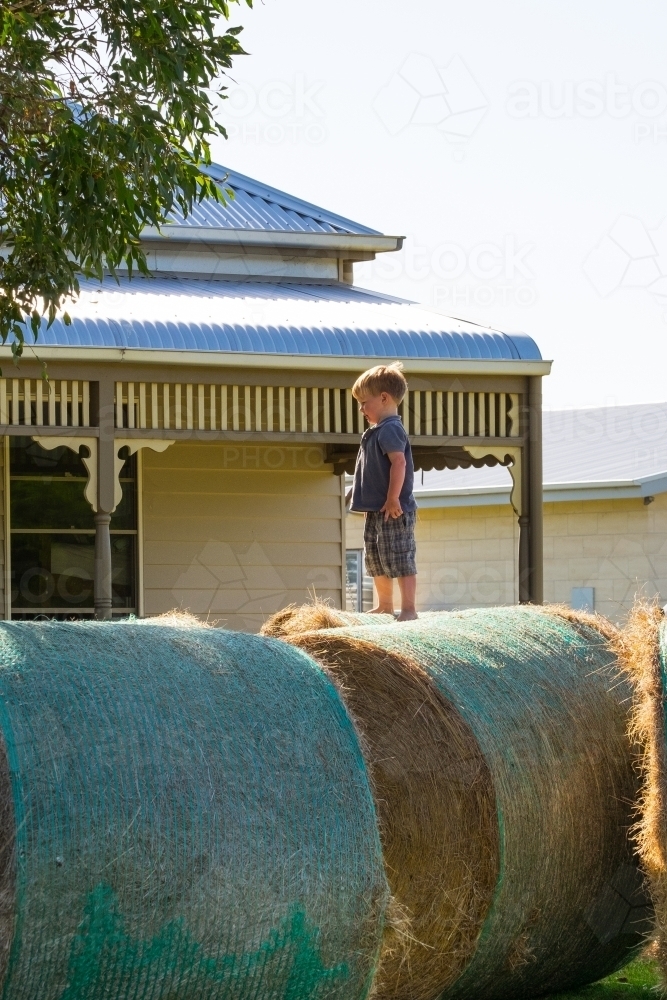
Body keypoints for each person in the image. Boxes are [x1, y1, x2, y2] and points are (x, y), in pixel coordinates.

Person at [348, 361, 418, 621]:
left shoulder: (390, 429)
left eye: (365, 402)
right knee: (376, 559)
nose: (361, 408)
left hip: (394, 509)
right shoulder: (375, 432)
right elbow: (370, 471)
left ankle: (409, 608)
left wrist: (392, 499)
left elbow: (398, 463)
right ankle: (385, 605)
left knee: (400, 557)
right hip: (376, 510)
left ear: (384, 398)